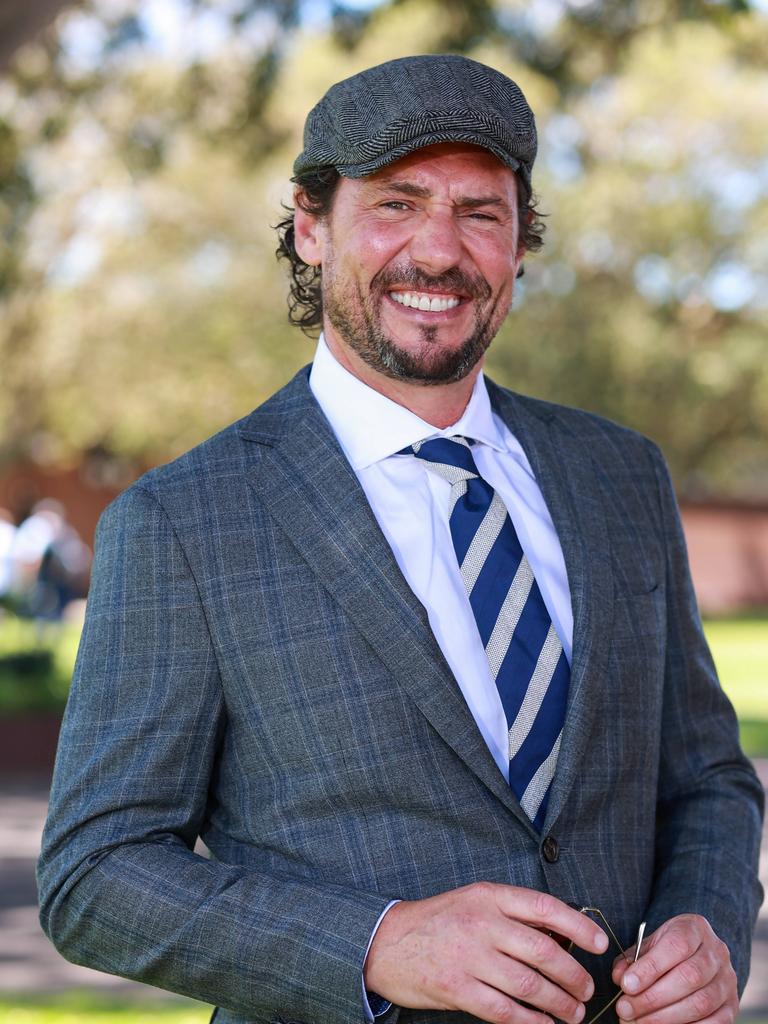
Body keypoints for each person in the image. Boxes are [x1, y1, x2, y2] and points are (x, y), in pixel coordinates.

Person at [37, 54, 763, 1024]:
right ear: (310, 226)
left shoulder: (620, 474)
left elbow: (708, 776)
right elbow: (93, 874)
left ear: (519, 241)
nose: (439, 251)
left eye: (481, 212)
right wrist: (374, 943)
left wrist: (705, 923)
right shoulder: (183, 521)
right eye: (397, 203)